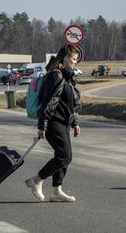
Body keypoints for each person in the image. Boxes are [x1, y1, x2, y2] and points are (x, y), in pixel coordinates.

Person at [25, 43, 82, 203]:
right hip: (52, 122)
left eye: (76, 60)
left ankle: (57, 190)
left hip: (63, 122)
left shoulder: (68, 76)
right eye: (73, 59)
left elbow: (69, 104)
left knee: (66, 156)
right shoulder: (55, 75)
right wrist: (42, 125)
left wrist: (75, 122)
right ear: (64, 58)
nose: (75, 63)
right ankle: (36, 181)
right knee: (63, 155)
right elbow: (48, 102)